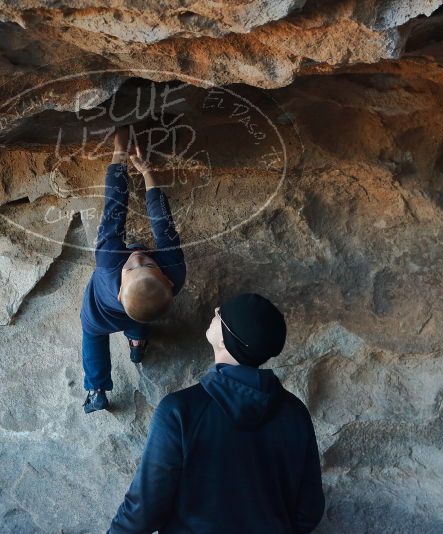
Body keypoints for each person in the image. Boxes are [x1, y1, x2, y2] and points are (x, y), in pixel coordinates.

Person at [109, 293, 325, 533]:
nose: (215, 310)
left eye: (221, 314)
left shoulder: (180, 411)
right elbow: (310, 510)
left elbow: (143, 511)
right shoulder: (295, 413)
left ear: (225, 341)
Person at [80, 125, 186, 414]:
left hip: (100, 315)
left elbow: (114, 208)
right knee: (143, 310)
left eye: (137, 267)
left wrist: (119, 154)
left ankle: (96, 388)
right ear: (166, 279)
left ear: (119, 290)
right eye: (146, 263)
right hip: (131, 305)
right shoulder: (173, 274)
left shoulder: (110, 262)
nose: (137, 257)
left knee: (92, 337)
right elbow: (162, 222)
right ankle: (137, 341)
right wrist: (146, 170)